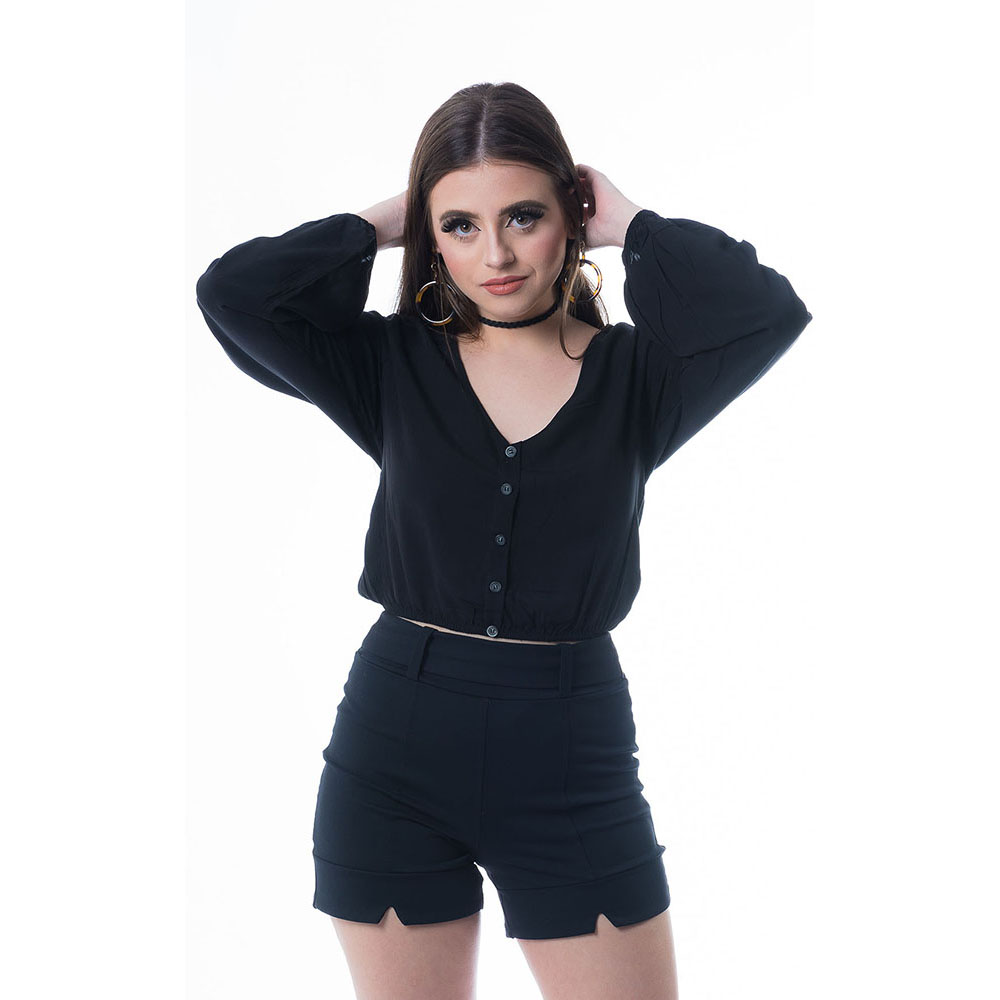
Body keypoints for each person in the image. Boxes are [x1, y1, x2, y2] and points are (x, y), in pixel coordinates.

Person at [194, 81, 812, 1000]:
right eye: (461, 226)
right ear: (432, 234)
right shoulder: (388, 364)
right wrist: (392, 218)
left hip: (570, 753)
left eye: (523, 216)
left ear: (570, 213)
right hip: (393, 747)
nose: (496, 254)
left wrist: (630, 224)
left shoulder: (643, 377)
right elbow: (234, 293)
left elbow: (764, 312)